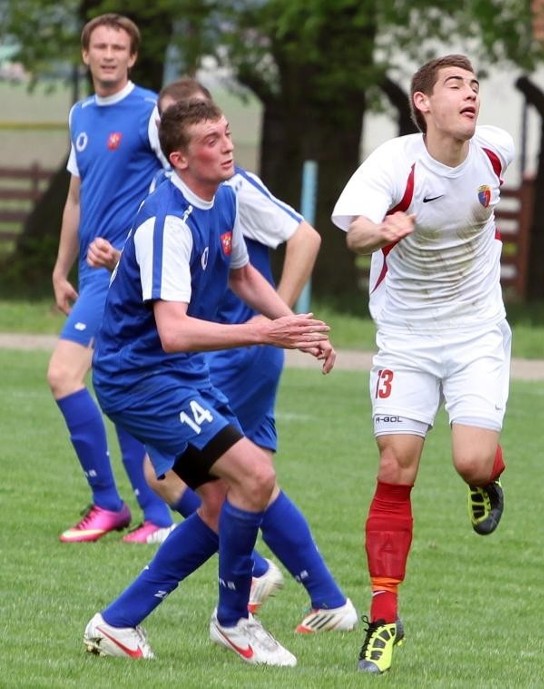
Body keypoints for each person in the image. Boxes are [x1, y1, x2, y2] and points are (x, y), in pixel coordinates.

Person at [87, 77, 357, 630]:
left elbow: (243, 276)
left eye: (227, 133)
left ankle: (118, 623)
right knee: (253, 476)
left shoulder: (225, 197)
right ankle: (239, 620)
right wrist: (264, 334)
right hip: (140, 378)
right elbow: (173, 332)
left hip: (176, 373)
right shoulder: (170, 221)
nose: (228, 145)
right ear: (181, 158)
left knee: (219, 501)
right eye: (212, 139)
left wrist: (293, 324)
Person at [331, 54, 512, 674]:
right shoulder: (394, 163)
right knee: (395, 468)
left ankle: (487, 479)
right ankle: (384, 620)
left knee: (472, 461)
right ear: (422, 103)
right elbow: (352, 231)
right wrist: (381, 230)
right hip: (406, 337)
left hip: (476, 335)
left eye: (474, 86)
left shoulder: (496, 152)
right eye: (454, 86)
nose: (470, 95)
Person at [48, 13, 173, 544]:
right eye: (98, 46)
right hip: (91, 274)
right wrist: (59, 268)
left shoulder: (149, 112)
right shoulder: (80, 113)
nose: (107, 54)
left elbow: (176, 187)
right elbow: (76, 198)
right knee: (118, 388)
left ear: (132, 57)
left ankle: (107, 503)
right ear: (85, 54)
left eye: (117, 47)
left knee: (63, 375)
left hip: (124, 275)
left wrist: (131, 249)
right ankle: (157, 516)